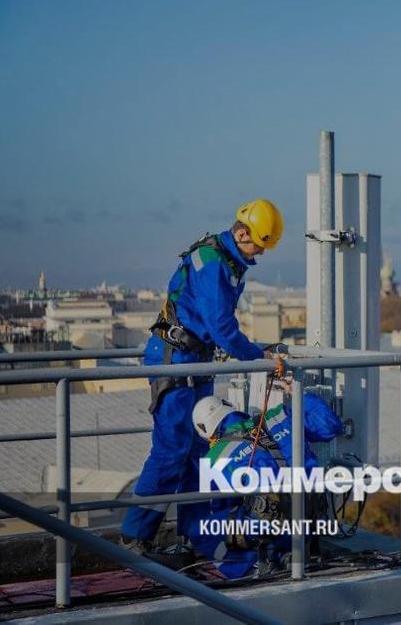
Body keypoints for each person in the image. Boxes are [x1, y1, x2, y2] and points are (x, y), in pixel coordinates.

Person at [120, 199, 285, 555]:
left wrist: (254, 352)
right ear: (242, 233)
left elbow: (216, 327)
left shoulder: (226, 260)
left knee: (198, 451)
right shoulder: (212, 263)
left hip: (195, 359)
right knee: (172, 450)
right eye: (259, 243)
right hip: (176, 360)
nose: (261, 252)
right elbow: (221, 327)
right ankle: (135, 538)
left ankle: (195, 537)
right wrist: (258, 357)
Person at [187, 391, 342, 578]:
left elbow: (224, 507)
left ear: (206, 432)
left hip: (275, 531)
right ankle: (286, 554)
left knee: (200, 531)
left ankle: (252, 565)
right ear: (229, 406)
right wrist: (298, 392)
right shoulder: (279, 416)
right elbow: (330, 427)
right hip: (312, 522)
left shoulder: (215, 457)